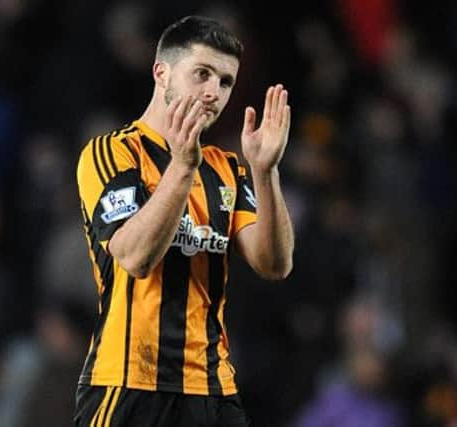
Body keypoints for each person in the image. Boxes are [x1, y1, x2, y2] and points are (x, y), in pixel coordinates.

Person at [74, 15, 294, 426]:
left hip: (212, 389)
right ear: (162, 72)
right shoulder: (114, 153)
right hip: (128, 385)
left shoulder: (228, 168)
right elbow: (135, 256)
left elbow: (274, 264)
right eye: (203, 74)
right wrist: (181, 168)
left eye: (225, 82)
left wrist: (266, 173)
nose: (213, 92)